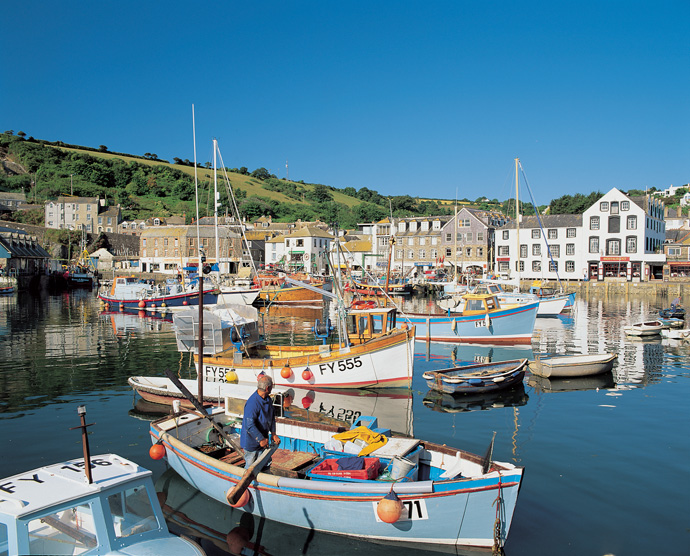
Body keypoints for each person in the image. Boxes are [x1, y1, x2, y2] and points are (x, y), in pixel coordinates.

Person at [240, 374, 280, 469]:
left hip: (263, 441)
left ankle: (264, 479)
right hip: (251, 442)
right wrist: (261, 439)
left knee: (266, 463)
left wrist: (273, 433)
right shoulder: (252, 403)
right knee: (251, 466)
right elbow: (249, 425)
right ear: (267, 388)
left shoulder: (268, 399)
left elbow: (271, 417)